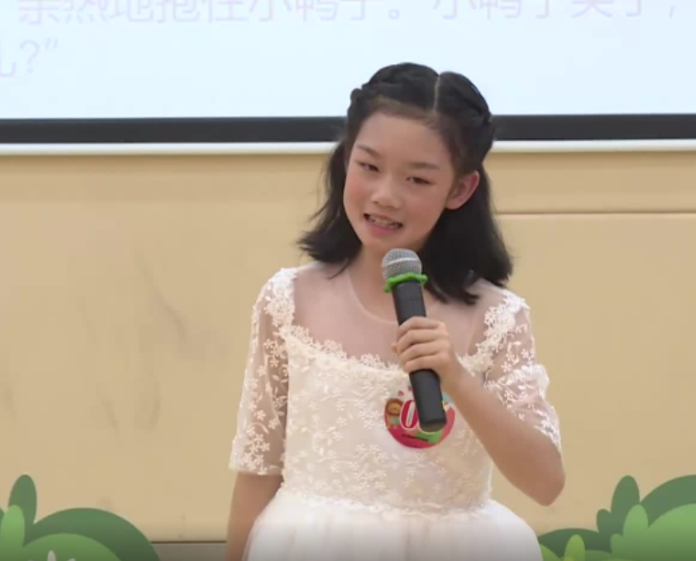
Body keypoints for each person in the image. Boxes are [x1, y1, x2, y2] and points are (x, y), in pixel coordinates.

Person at [224, 62, 565, 561]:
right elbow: (258, 468)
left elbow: (545, 481)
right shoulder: (289, 300)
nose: (385, 195)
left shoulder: (497, 317)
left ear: (460, 189)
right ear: (346, 159)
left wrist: (456, 378)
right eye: (369, 167)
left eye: (417, 179)